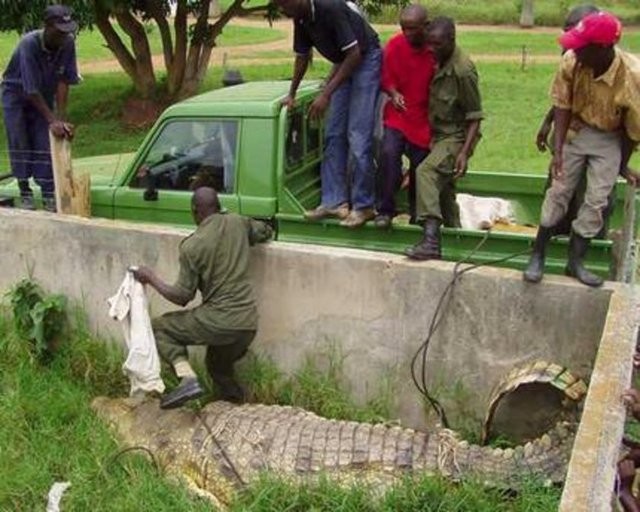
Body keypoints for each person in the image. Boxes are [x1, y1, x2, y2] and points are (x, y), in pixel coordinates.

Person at [523, 12, 640, 287]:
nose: (574, 49)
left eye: (581, 45)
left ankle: (575, 261)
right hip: (576, 126)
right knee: (560, 187)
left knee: (597, 198)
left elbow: (633, 131)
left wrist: (621, 166)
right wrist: (559, 150)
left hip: (611, 136)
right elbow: (562, 105)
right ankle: (537, 254)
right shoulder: (573, 60)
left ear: (602, 48)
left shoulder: (632, 77)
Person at [131, 187, 273, 409]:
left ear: (195, 212)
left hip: (220, 320)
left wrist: (150, 277)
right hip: (247, 324)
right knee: (217, 366)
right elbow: (264, 231)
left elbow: (182, 296)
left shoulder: (192, 246)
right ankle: (236, 404)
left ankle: (187, 379)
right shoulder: (238, 223)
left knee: (160, 328)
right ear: (218, 206)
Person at [275, 0, 382, 228]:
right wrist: (292, 93)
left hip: (365, 57)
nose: (282, 10)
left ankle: (364, 206)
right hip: (343, 61)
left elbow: (355, 54)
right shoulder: (301, 18)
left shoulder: (330, 8)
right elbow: (302, 56)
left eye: (283, 4)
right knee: (333, 132)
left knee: (358, 134)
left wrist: (326, 93)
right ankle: (334, 201)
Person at [405, 17, 483, 260]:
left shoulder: (462, 70)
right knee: (443, 190)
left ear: (451, 40)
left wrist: (463, 153)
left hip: (456, 136)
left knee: (426, 172)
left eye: (437, 44)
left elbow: (475, 116)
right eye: (429, 44)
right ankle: (455, 235)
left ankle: (431, 241)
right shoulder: (437, 60)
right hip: (437, 134)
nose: (431, 49)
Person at [1, 5, 79, 212]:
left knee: (45, 141)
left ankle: (48, 195)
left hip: (42, 94)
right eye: (59, 31)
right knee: (20, 139)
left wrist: (60, 120)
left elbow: (64, 81)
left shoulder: (68, 43)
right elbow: (30, 88)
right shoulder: (29, 44)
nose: (64, 36)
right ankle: (24, 190)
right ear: (47, 26)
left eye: (67, 31)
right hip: (16, 94)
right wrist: (52, 119)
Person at [375, 4, 436, 229]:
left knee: (420, 166)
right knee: (388, 153)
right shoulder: (394, 46)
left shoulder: (435, 49)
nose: (408, 33)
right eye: (404, 28)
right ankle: (384, 209)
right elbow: (386, 79)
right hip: (399, 115)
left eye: (413, 29)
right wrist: (393, 92)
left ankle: (416, 212)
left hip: (424, 118)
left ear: (426, 27)